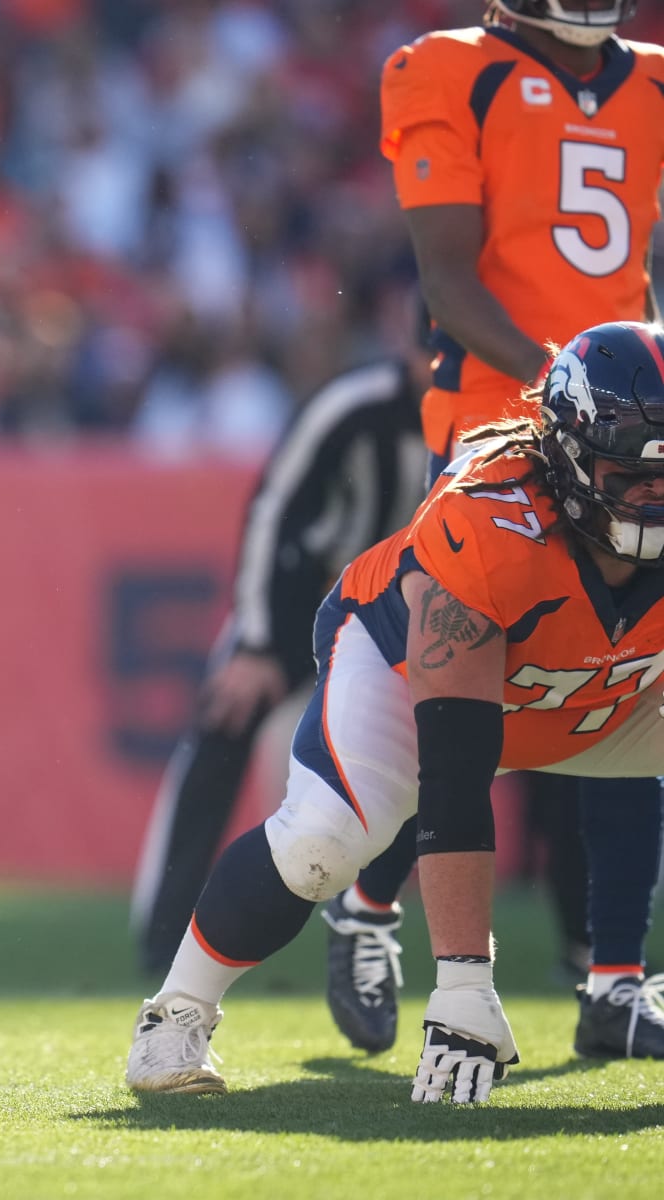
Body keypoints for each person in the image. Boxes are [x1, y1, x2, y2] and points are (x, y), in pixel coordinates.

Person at [126, 319, 664, 1105]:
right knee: (322, 840)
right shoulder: (490, 523)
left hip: (603, 696)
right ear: (571, 456)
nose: (656, 494)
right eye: (633, 474)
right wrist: (464, 984)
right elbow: (452, 776)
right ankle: (177, 1012)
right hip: (405, 668)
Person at [339, 0, 664, 1060]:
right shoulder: (450, 66)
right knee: (473, 710)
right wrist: (570, 390)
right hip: (504, 421)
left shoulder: (652, 77)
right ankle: (370, 901)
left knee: (633, 678)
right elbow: (447, 276)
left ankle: (616, 980)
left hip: (637, 427)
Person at [131, 339, 431, 976]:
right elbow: (274, 508)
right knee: (225, 722)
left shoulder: (487, 412)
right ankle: (166, 930)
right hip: (305, 600)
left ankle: (367, 927)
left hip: (399, 615)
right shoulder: (354, 405)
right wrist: (258, 642)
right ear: (412, 348)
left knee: (419, 752)